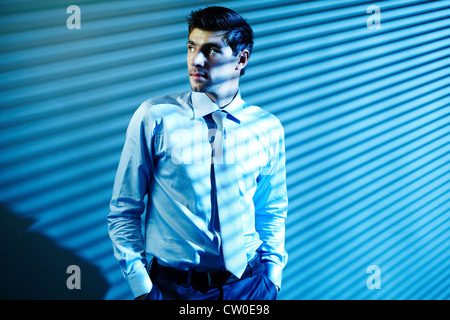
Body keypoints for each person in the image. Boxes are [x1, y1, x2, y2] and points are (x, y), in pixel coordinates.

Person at [107, 6, 288, 300]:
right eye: (192, 47)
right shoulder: (155, 117)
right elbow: (123, 210)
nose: (196, 60)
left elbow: (271, 209)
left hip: (249, 287)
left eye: (211, 50)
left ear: (241, 59)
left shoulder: (267, 128)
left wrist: (271, 279)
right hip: (174, 289)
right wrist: (143, 289)